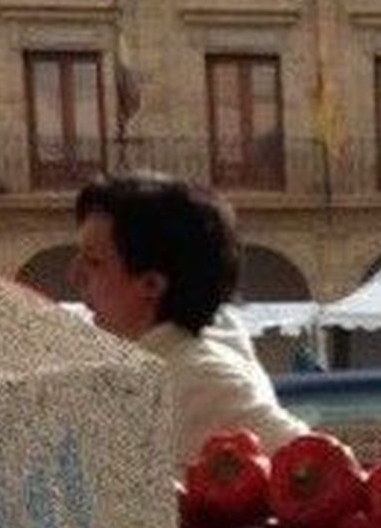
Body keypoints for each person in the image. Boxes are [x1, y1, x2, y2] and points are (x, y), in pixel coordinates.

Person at [72, 173, 307, 471]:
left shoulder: (200, 380)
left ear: (152, 284)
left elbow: (316, 463)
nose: (75, 275)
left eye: (94, 262)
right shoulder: (188, 350)